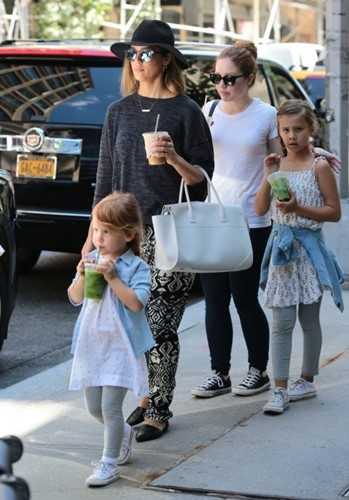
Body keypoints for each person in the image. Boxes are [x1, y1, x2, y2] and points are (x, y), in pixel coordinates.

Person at [81, 19, 214, 441]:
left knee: (160, 322)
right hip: (125, 233)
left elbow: (203, 180)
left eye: (147, 53)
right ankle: (141, 392)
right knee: (130, 318)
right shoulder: (117, 111)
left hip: (170, 228)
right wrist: (92, 233)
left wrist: (174, 157)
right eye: (132, 54)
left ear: (166, 59)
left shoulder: (186, 111)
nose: (137, 61)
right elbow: (105, 179)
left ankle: (158, 405)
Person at [191, 41, 280, 399]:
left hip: (250, 220)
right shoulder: (208, 108)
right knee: (214, 300)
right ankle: (219, 373)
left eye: (231, 79)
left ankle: (258, 370)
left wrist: (279, 197)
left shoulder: (267, 115)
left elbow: (279, 166)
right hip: (213, 216)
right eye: (217, 77)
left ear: (250, 77)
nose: (223, 85)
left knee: (244, 298)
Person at [255, 99, 344, 415]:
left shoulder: (319, 166)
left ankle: (306, 380)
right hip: (282, 252)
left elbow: (333, 212)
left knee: (308, 320)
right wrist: (268, 174)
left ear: (311, 129)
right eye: (285, 130)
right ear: (278, 132)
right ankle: (279, 388)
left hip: (308, 252)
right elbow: (259, 208)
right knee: (281, 323)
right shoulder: (277, 165)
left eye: (298, 129)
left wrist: (298, 209)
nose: (291, 136)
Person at [68, 192, 155, 487]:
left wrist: (114, 278)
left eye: (106, 231)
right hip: (93, 343)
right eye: (96, 230)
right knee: (93, 407)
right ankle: (123, 435)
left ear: (128, 234)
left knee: (110, 407)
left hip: (121, 346)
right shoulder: (92, 258)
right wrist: (81, 275)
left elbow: (135, 304)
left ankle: (109, 463)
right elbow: (76, 299)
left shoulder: (137, 268)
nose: (99, 237)